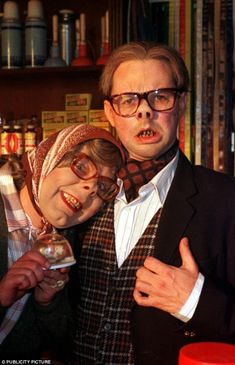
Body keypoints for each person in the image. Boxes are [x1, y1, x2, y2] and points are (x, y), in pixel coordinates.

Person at [70, 42, 235, 365]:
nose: (145, 111)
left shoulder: (226, 200)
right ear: (109, 113)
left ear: (181, 104)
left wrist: (195, 301)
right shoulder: (78, 194)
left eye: (160, 97)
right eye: (128, 100)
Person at [0, 123, 124, 360]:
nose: (90, 188)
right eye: (82, 166)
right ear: (50, 156)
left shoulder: (67, 243)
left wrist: (47, 302)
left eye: (102, 187)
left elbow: (62, 346)